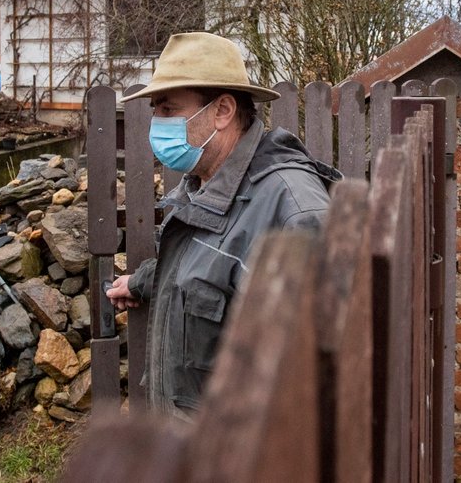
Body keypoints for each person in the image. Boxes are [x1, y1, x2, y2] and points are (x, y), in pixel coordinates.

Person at [105, 31, 341, 418]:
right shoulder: (204, 180)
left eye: (167, 109)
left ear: (223, 111)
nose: (156, 124)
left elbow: (310, 385)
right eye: (155, 110)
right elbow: (212, 258)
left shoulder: (294, 212)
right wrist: (143, 281)